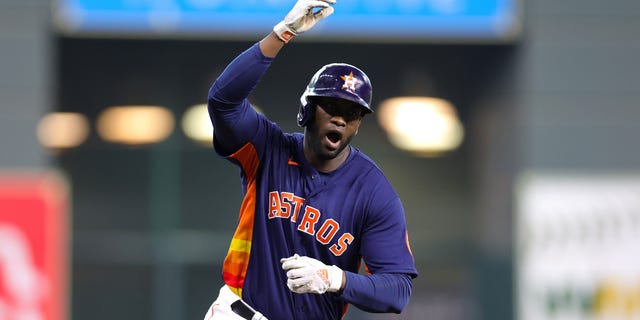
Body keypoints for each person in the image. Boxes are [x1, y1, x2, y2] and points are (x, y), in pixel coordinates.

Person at [203, 0, 417, 319]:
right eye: (331, 107)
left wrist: (333, 278)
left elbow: (397, 290)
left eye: (352, 113)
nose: (341, 120)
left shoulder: (374, 192)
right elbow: (223, 101)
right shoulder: (267, 149)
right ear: (306, 110)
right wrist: (283, 32)